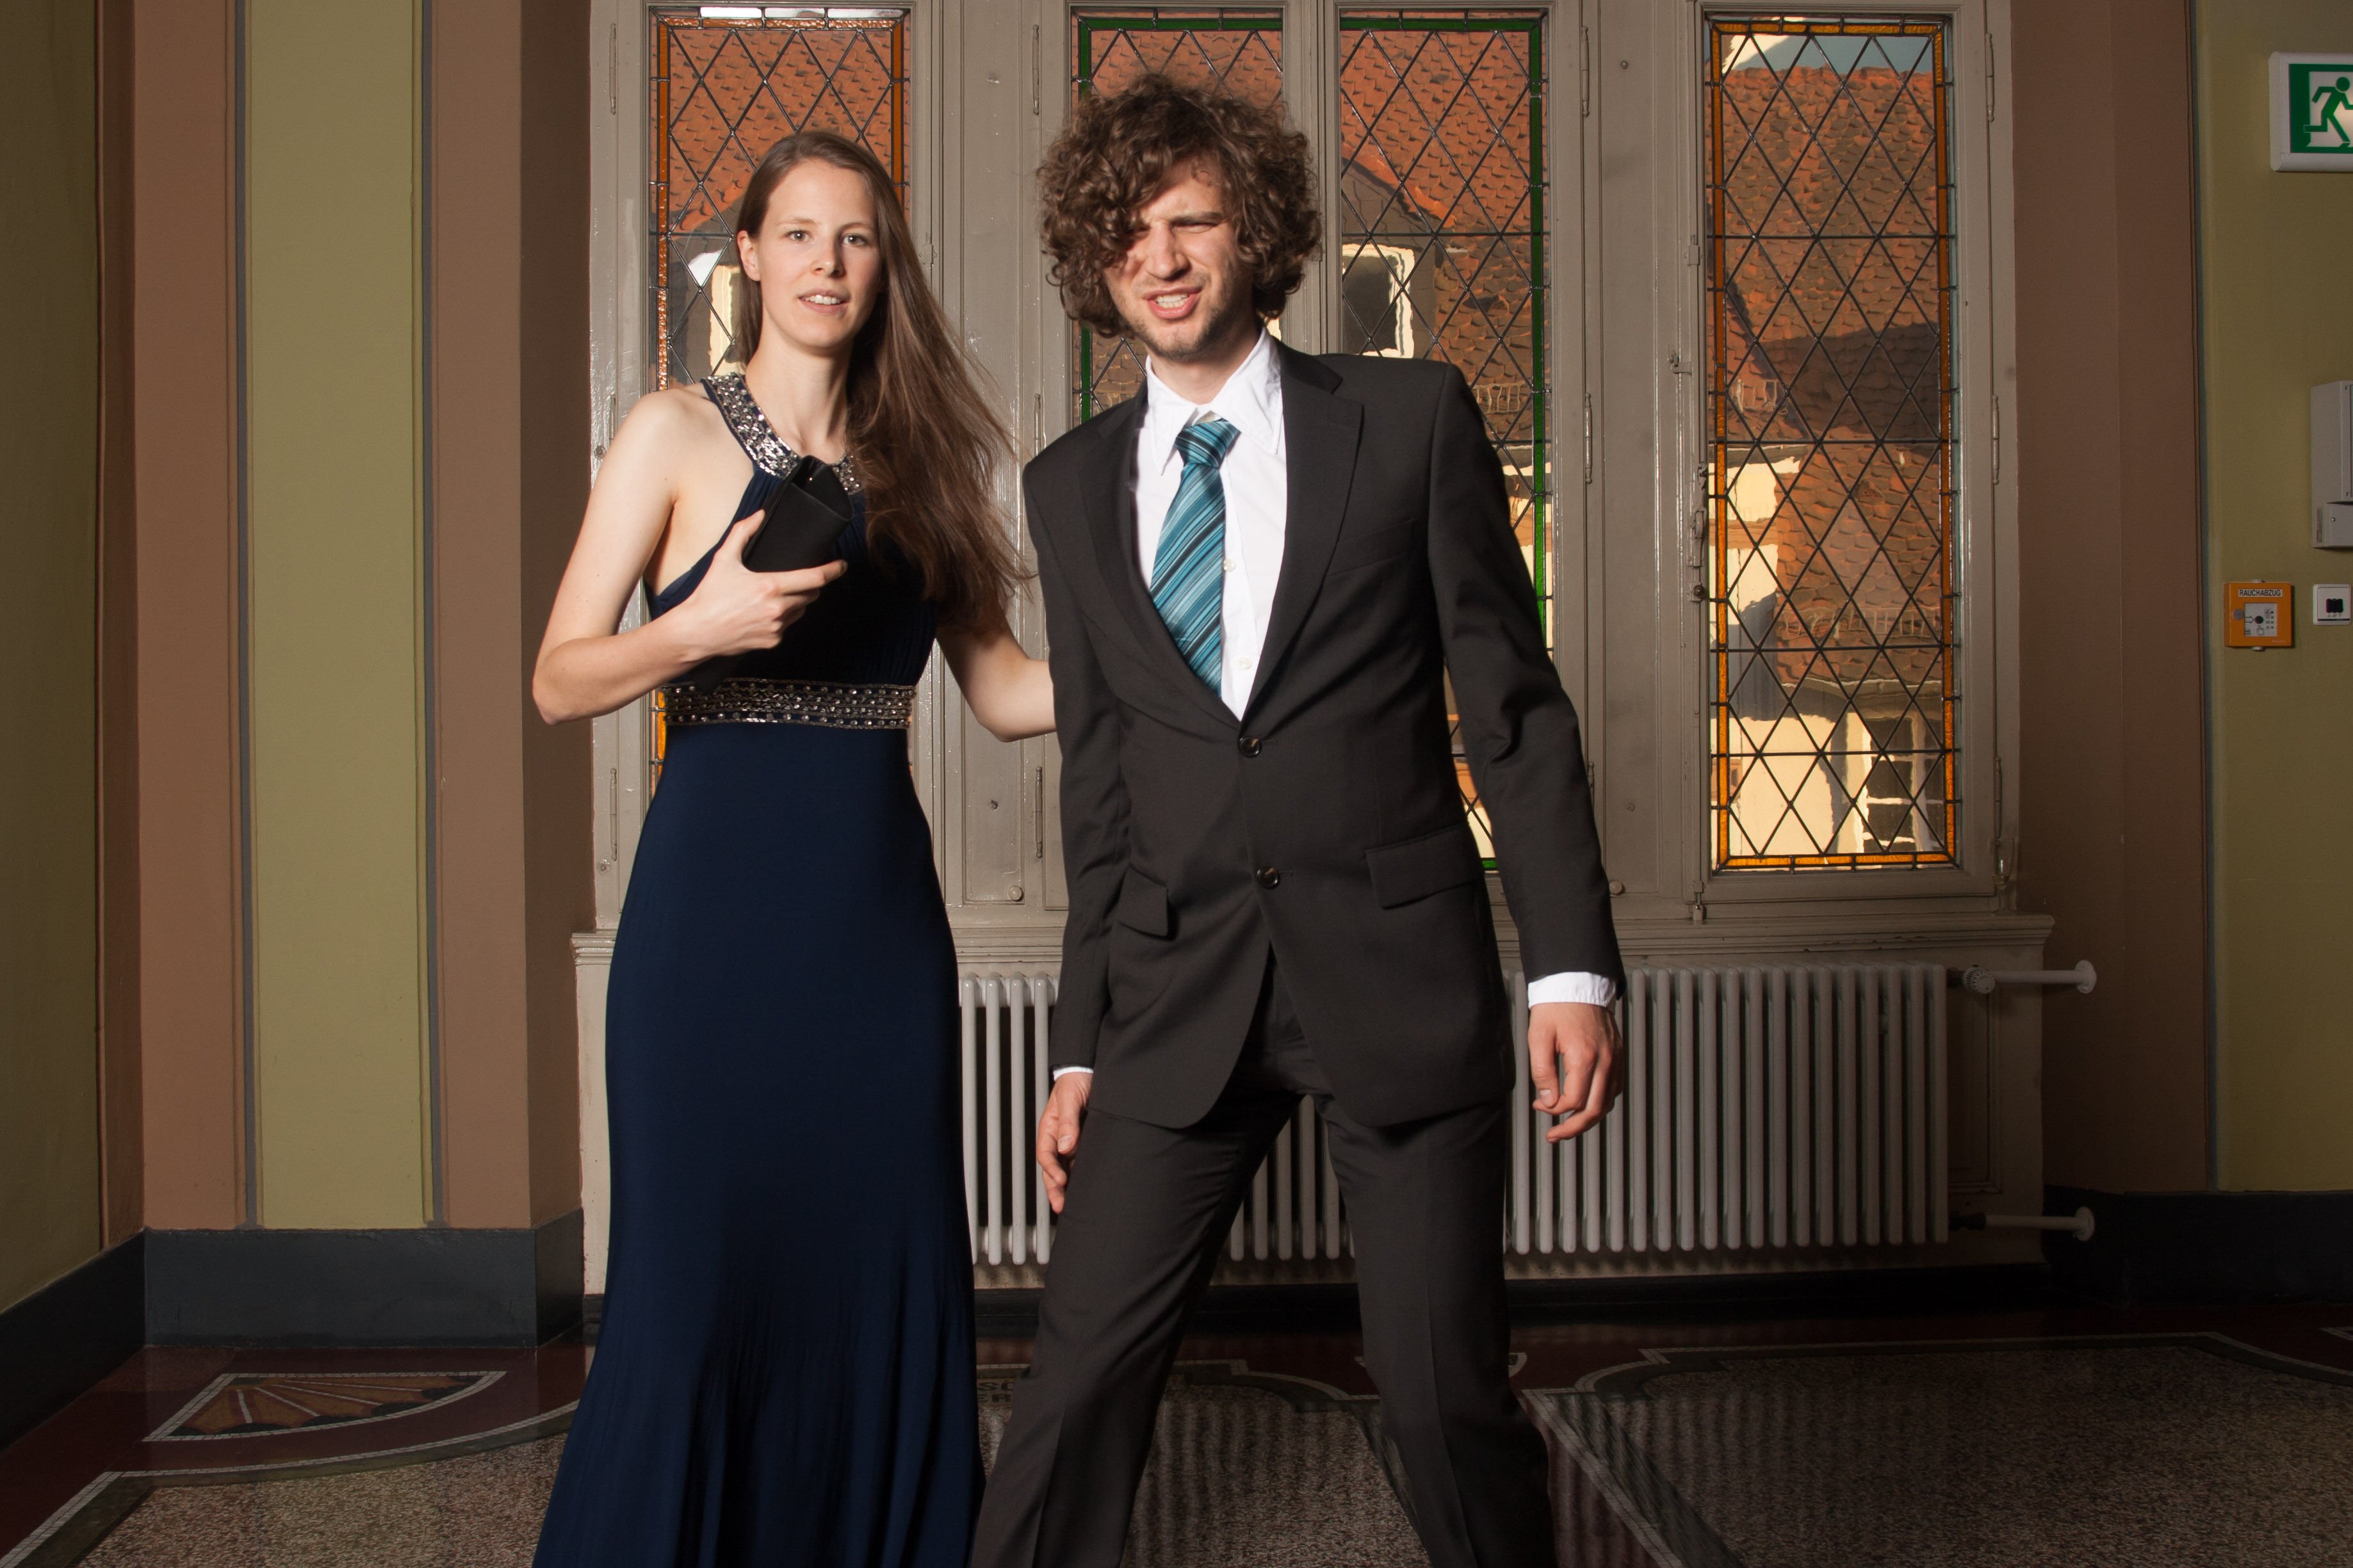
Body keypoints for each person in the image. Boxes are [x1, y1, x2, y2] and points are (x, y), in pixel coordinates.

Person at [972, 76, 1625, 1568]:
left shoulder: (1406, 422)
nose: (1160, 257)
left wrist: (1570, 968)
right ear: (1094, 261)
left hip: (1396, 970)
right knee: (1073, 1391)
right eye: (1127, 232)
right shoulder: (1068, 487)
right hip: (1174, 988)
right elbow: (1101, 790)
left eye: (1191, 221)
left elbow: (1513, 713)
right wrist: (1077, 1046)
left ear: (1255, 232)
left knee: (1443, 1399)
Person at [530, 130, 1050, 1567]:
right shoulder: (669, 432)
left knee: (878, 1266)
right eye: (802, 234)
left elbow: (1006, 691)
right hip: (708, 926)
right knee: (697, 1282)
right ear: (748, 255)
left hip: (872, 932)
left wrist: (1168, 657)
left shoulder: (923, 458)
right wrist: (695, 627)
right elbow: (558, 677)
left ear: (885, 266)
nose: (829, 262)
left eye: (857, 238)